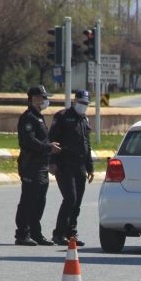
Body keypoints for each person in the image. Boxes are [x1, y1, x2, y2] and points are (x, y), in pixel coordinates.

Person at [14, 85, 61, 246]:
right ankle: (22, 234)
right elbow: (28, 141)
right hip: (30, 164)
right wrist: (48, 147)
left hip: (41, 165)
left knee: (39, 200)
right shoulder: (28, 117)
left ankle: (35, 232)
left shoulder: (38, 117)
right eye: (41, 97)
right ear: (33, 98)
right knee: (28, 199)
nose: (44, 100)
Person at [49, 90, 94, 246]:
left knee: (77, 202)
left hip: (80, 165)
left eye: (86, 104)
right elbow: (53, 140)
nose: (83, 106)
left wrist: (90, 166)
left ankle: (71, 233)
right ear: (75, 102)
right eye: (81, 103)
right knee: (70, 199)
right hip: (64, 163)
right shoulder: (62, 117)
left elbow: (87, 144)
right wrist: (52, 162)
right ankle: (59, 233)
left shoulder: (84, 119)